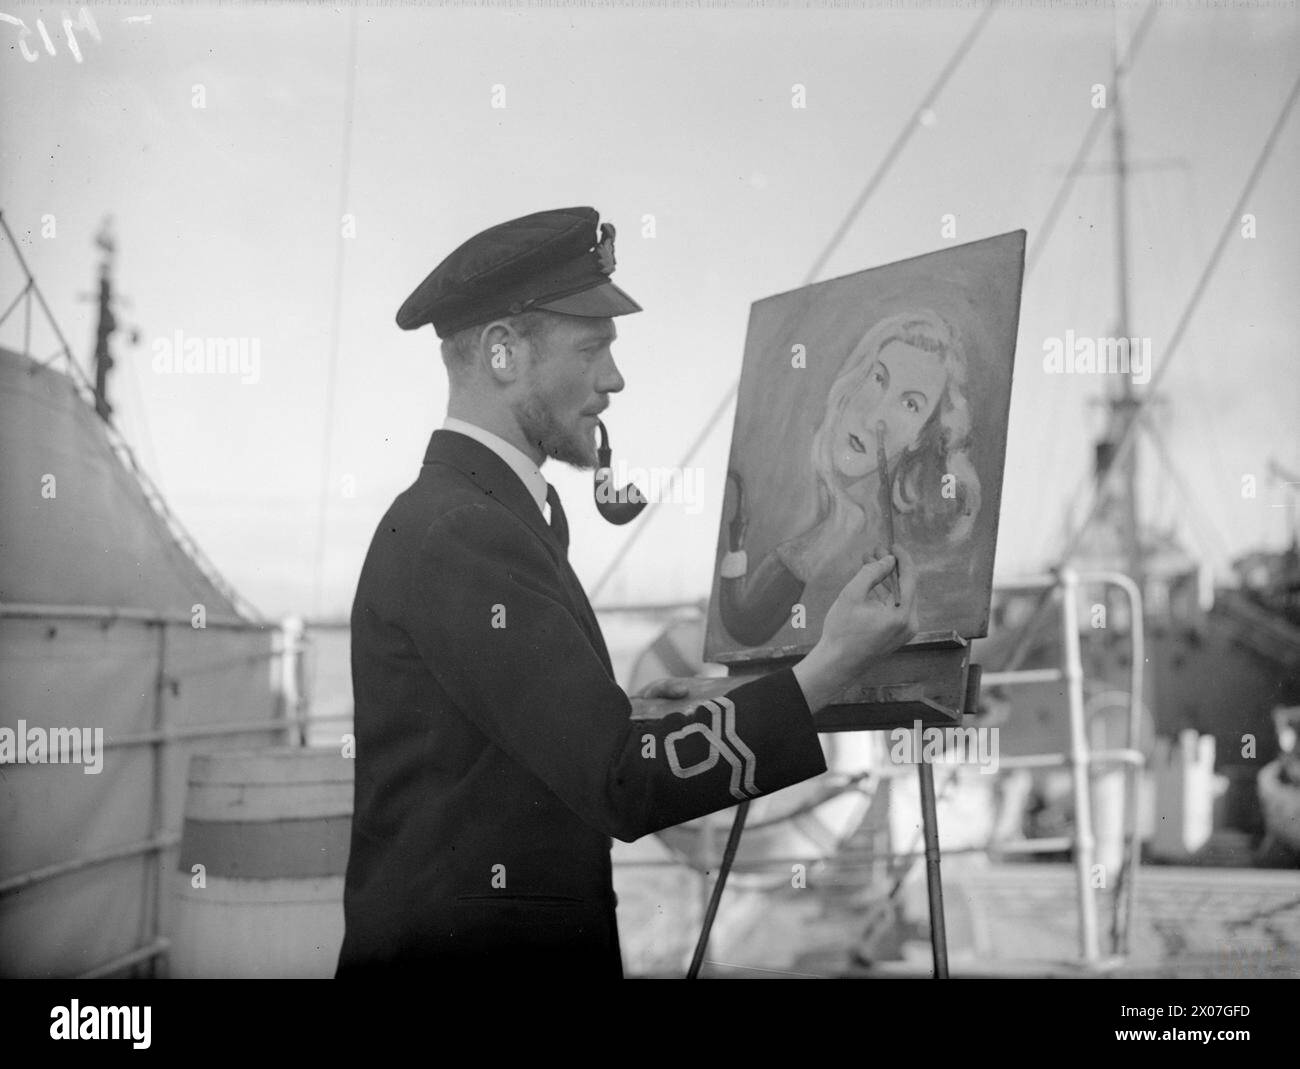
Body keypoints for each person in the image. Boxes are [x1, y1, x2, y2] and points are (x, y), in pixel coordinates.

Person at [336, 206, 918, 979]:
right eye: (593, 347)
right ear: (503, 353)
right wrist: (828, 669)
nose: (614, 378)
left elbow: (512, 743)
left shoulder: (487, 514)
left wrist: (643, 712)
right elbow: (619, 779)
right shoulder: (465, 532)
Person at [719, 308, 979, 648]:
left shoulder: (896, 554)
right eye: (878, 378)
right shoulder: (814, 521)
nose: (874, 418)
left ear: (921, 434)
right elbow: (745, 626)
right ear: (855, 376)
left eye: (910, 404)